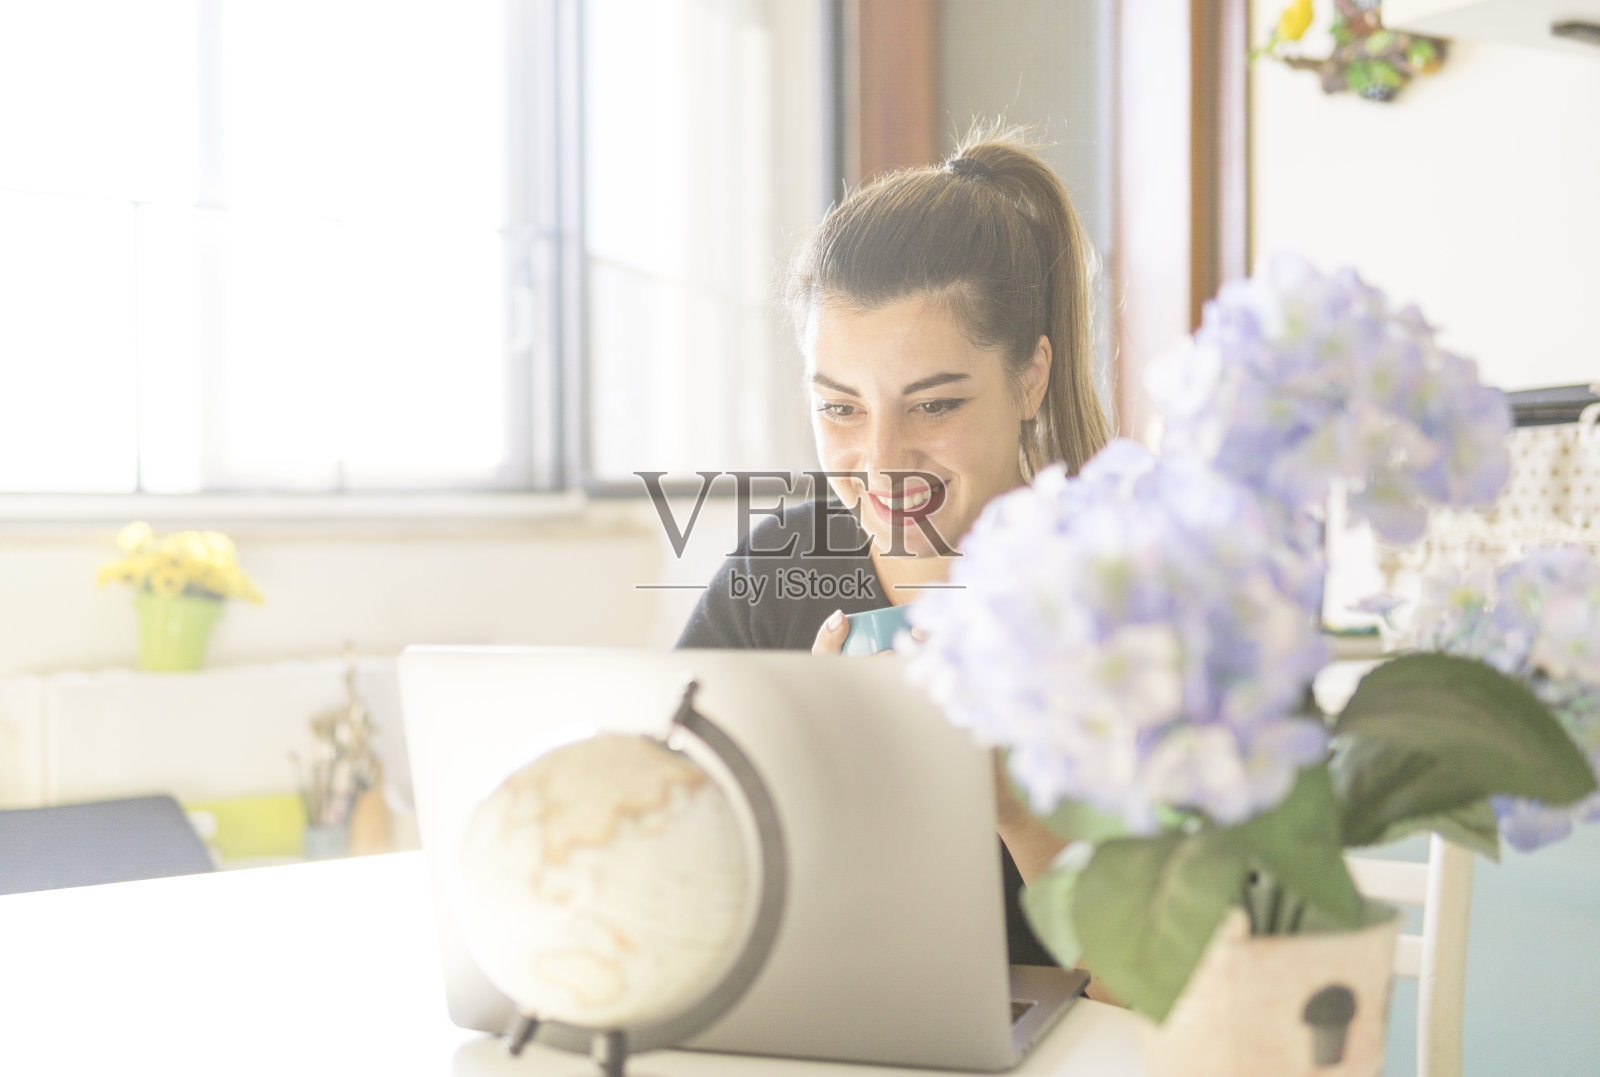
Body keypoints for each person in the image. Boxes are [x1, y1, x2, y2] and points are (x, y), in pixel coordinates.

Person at [678, 126, 1112, 968]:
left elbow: (1178, 996)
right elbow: (663, 856)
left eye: (934, 406)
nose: (881, 464)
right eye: (841, 409)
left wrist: (1016, 809)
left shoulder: (1122, 595)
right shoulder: (778, 570)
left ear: (1030, 378)